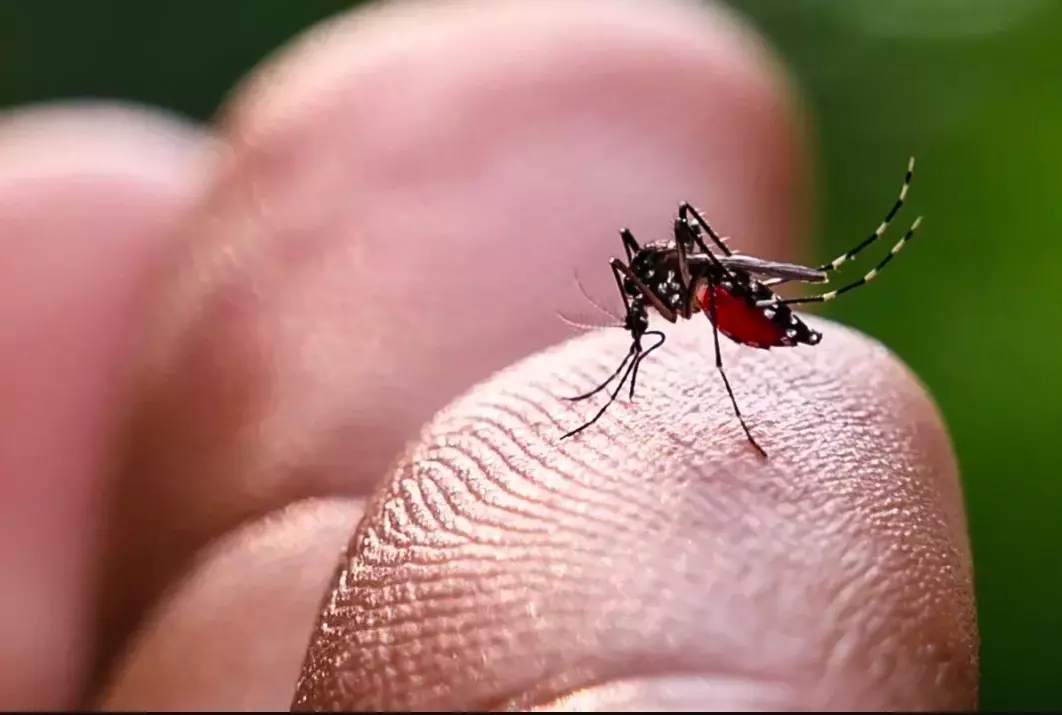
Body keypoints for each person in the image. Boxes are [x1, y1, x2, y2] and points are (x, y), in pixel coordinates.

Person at [0, 0, 976, 710]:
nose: (635, 286)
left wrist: (713, 314)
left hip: (740, 306)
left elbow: (679, 286)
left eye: (644, 287)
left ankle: (823, 276)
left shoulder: (687, 278)